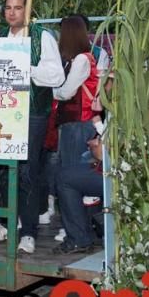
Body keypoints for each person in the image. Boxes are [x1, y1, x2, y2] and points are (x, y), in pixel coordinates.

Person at [0, 0, 64, 254]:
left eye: (18, 8)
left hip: (33, 113)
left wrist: (25, 68)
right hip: (3, 114)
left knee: (28, 171)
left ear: (27, 11)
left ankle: (28, 231)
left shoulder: (42, 38)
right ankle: (8, 223)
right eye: (8, 8)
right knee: (5, 169)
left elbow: (56, 76)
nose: (12, 12)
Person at [45, 16, 101, 224]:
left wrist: (45, 88)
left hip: (77, 123)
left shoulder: (81, 60)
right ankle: (76, 226)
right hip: (76, 123)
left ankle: (77, 227)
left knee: (71, 176)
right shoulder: (84, 59)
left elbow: (66, 92)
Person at [53, 116, 105, 254]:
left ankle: (79, 239)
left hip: (117, 174)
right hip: (113, 169)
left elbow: (107, 151)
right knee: (69, 173)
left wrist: (98, 131)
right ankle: (82, 236)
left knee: (65, 179)